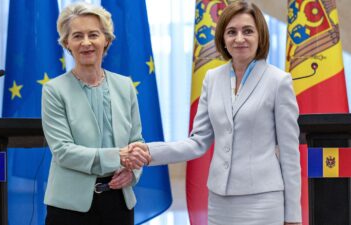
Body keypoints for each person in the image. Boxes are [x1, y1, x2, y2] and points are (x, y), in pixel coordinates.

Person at [126, 1, 302, 225]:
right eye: (232, 32)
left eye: (247, 31)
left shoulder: (278, 81)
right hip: (220, 201)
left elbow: (289, 154)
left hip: (263, 201)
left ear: (261, 36)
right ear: (223, 38)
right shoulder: (212, 78)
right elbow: (197, 142)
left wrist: (293, 216)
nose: (239, 38)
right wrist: (148, 152)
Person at [41, 2, 149, 225]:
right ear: (67, 43)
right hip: (69, 205)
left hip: (119, 200)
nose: (86, 42)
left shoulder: (125, 85)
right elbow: (62, 151)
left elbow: (136, 141)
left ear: (106, 40)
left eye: (94, 34)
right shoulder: (53, 90)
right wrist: (118, 157)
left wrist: (133, 173)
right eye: (78, 36)